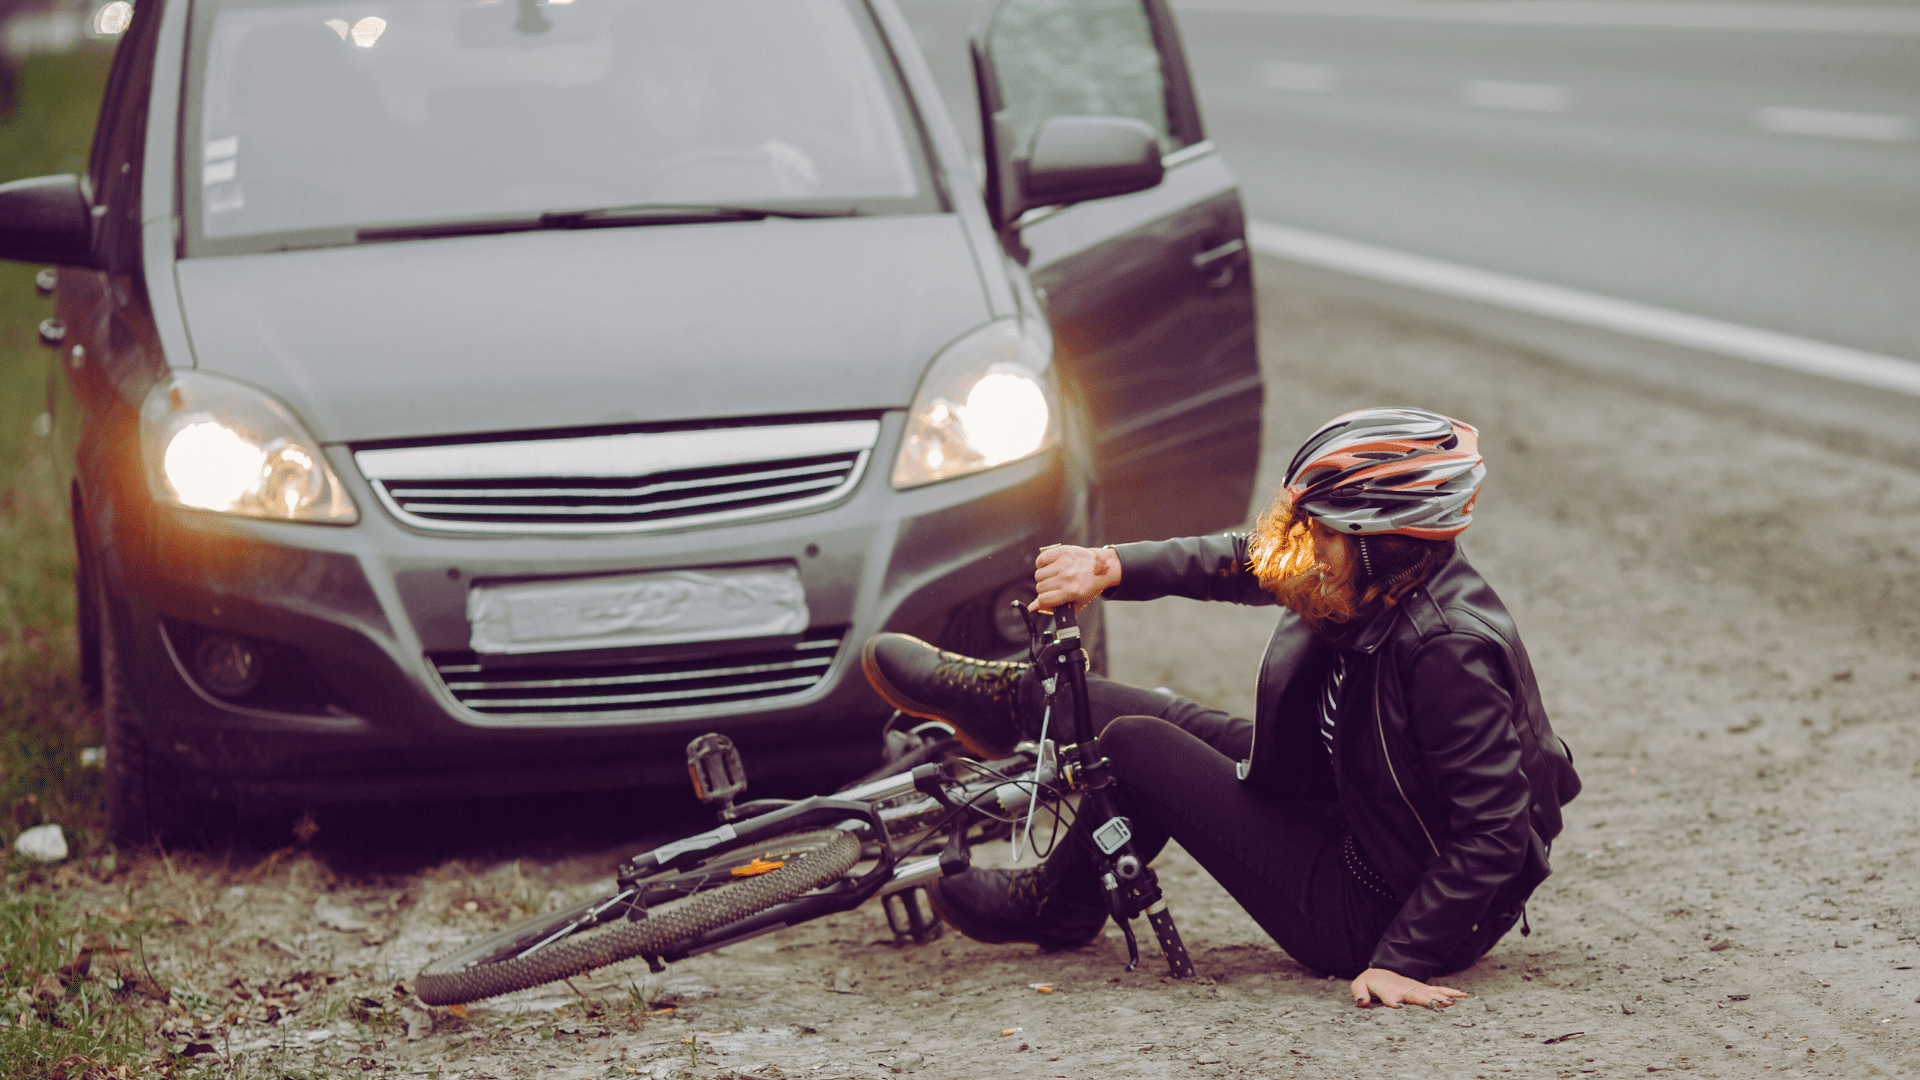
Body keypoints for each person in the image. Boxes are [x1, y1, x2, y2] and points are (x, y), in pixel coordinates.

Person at [861, 407, 1580, 1009]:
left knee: (1138, 747)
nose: (1307, 546)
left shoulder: (1445, 649)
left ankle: (1056, 904)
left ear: (1387, 545)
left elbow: (1494, 830)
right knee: (1119, 706)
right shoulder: (1361, 580)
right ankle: (1012, 704)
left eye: (1325, 533)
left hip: (1375, 904)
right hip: (1350, 800)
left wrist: (1402, 958)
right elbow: (1247, 558)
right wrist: (1110, 567)